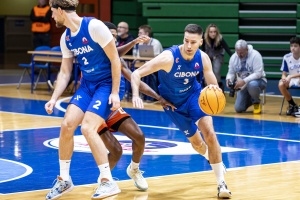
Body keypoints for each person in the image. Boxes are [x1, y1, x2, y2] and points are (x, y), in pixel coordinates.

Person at [130, 24, 232, 199]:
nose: (189, 46)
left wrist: (216, 91)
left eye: (193, 42)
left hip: (194, 97)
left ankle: (221, 184)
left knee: (210, 134)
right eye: (186, 41)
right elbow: (136, 74)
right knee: (198, 145)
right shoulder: (168, 57)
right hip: (173, 105)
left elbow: (211, 81)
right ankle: (209, 155)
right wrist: (134, 95)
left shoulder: (203, 57)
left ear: (201, 41)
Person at [44, 0, 122, 199]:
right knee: (67, 125)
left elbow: (115, 60)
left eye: (53, 12)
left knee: (88, 127)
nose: (52, 17)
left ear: (61, 11)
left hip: (105, 84)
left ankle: (108, 181)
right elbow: (65, 72)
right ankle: (65, 180)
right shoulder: (66, 38)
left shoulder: (94, 26)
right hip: (87, 85)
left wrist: (114, 92)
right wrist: (54, 98)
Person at [97, 21, 175, 191]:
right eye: (110, 36)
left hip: (111, 108)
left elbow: (135, 79)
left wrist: (159, 98)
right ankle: (104, 181)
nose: (113, 39)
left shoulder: (116, 59)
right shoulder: (93, 56)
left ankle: (134, 169)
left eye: (115, 36)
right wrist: (132, 43)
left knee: (139, 137)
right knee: (116, 151)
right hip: (95, 110)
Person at [226, 39, 267, 114]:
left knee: (252, 84)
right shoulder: (233, 57)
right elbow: (231, 72)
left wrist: (244, 81)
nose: (239, 55)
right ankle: (251, 99)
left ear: (247, 49)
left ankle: (256, 102)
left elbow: (258, 73)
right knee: (238, 108)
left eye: (241, 53)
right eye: (237, 52)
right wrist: (229, 79)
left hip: (259, 81)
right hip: (243, 85)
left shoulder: (255, 55)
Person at [135, 24, 163, 102]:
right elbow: (138, 57)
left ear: (146, 34)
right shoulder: (140, 43)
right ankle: (137, 94)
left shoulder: (155, 43)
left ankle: (151, 98)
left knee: (149, 74)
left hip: (158, 67)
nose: (138, 35)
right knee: (134, 72)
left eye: (140, 33)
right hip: (145, 65)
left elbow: (157, 58)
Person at [202, 23, 233, 91]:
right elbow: (202, 50)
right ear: (208, 32)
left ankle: (219, 88)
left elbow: (227, 48)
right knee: (205, 72)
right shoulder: (204, 38)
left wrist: (233, 56)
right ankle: (206, 88)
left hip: (218, 55)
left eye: (215, 32)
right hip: (208, 55)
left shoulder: (219, 38)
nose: (213, 34)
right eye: (211, 32)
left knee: (216, 71)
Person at [278, 36, 300, 116]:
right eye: (291, 46)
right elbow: (284, 73)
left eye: (295, 46)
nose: (293, 48)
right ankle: (293, 105)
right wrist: (284, 78)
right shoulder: (286, 57)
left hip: (296, 78)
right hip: (292, 78)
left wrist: (290, 77)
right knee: (281, 84)